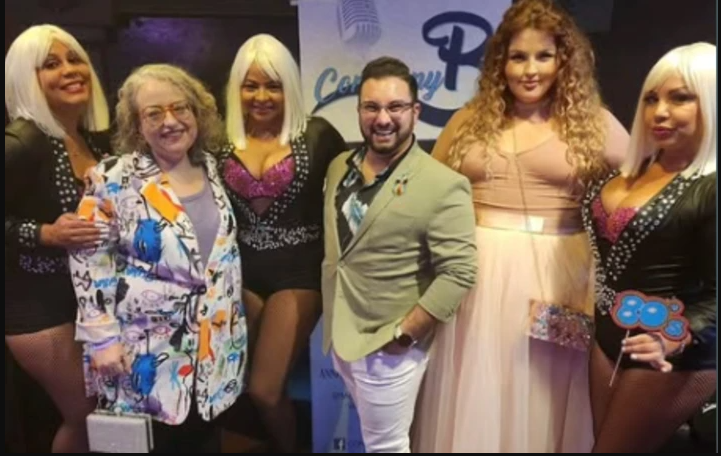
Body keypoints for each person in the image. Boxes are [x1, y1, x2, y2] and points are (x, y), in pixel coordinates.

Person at [411, 0, 630, 452]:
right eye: (518, 57)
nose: (530, 70)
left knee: (544, 392)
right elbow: (427, 190)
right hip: (474, 276)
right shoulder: (470, 120)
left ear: (564, 60)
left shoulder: (592, 123)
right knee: (476, 387)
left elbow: (645, 187)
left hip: (557, 276)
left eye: (543, 56)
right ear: (500, 62)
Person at [70, 63, 248, 453]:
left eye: (180, 108)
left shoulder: (213, 167)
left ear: (196, 112)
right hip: (142, 358)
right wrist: (102, 340)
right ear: (137, 124)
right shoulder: (110, 177)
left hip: (214, 355)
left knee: (203, 442)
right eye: (154, 113)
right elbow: (89, 260)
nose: (170, 121)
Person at [322, 56, 478, 453]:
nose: (383, 119)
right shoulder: (339, 167)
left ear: (415, 111)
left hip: (388, 346)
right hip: (341, 337)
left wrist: (405, 334)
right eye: (371, 107)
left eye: (395, 107)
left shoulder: (443, 184)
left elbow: (459, 272)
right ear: (359, 110)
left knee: (387, 448)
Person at [581, 42, 716, 452]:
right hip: (607, 341)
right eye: (652, 98)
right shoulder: (632, 169)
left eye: (681, 98)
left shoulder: (711, 187)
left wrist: (673, 336)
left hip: (674, 354)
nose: (660, 111)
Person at [219, 33, 346, 452]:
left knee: (265, 389)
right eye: (251, 85)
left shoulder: (318, 134)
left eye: (272, 85)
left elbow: (356, 189)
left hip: (300, 273)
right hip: (239, 274)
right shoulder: (218, 141)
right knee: (234, 385)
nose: (261, 96)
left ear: (289, 85)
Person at [4, 23, 110, 452]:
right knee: (86, 414)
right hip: (36, 310)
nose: (70, 70)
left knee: (95, 416)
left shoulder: (90, 140)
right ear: (26, 78)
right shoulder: (22, 142)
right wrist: (44, 233)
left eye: (75, 59)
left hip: (81, 302)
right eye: (51, 64)